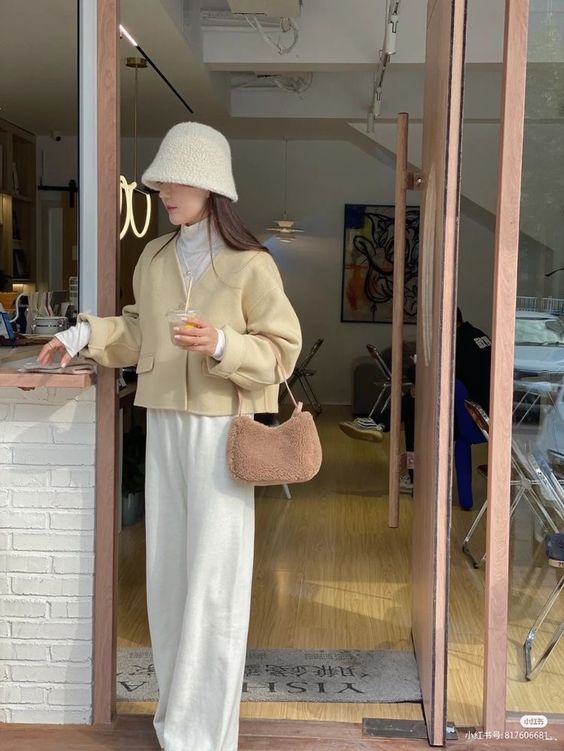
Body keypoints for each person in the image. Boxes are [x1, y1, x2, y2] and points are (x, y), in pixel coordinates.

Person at [38, 122, 302, 751]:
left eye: (175, 181)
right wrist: (79, 336)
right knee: (167, 576)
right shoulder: (155, 258)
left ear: (209, 184)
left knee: (215, 580)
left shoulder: (251, 264)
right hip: (163, 423)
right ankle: (177, 719)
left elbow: (281, 351)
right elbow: (137, 332)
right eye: (159, 183)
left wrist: (221, 342)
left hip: (221, 431)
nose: (163, 192)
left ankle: (206, 733)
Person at [339, 309, 491, 496]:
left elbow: (420, 371)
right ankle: (381, 428)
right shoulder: (478, 336)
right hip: (484, 415)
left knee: (414, 408)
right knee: (415, 405)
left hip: (470, 420)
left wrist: (418, 379)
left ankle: (380, 424)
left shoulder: (456, 343)